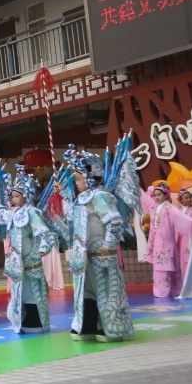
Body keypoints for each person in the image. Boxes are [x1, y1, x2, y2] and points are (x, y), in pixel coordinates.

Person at [47, 146, 135, 341]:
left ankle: (110, 328)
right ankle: (87, 326)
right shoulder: (80, 199)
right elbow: (70, 220)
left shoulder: (100, 196)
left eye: (78, 178)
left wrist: (109, 244)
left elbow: (114, 220)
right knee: (86, 292)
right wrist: (60, 196)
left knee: (106, 291)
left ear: (89, 176)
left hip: (102, 255)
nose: (76, 182)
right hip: (85, 256)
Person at [0, 167, 56, 333]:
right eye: (12, 196)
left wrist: (39, 252)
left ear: (27, 195)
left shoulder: (32, 213)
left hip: (30, 261)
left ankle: (35, 321)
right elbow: (0, 214)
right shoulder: (14, 213)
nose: (14, 199)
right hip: (18, 263)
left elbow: (44, 234)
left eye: (17, 196)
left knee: (33, 292)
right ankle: (24, 318)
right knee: (20, 292)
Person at [139, 180, 192, 298]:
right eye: (155, 195)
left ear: (166, 195)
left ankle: (165, 292)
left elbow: (185, 220)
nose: (156, 197)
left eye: (159, 195)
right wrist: (133, 182)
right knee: (159, 267)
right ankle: (164, 291)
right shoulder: (153, 206)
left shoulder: (170, 208)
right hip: (156, 242)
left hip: (167, 243)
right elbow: (142, 196)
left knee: (166, 267)